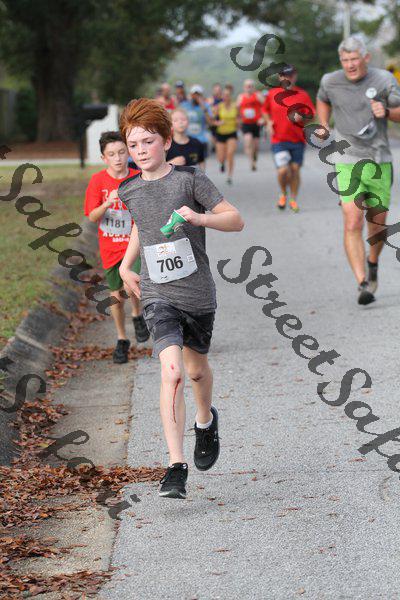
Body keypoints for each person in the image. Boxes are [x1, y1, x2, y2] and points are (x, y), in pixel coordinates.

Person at [118, 98, 244, 499]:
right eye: (133, 144)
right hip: (157, 294)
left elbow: (236, 220)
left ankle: (205, 421)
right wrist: (125, 265)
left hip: (197, 293)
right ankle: (175, 466)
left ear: (167, 141)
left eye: (148, 142)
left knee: (195, 372)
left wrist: (199, 217)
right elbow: (142, 226)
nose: (140, 151)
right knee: (171, 372)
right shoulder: (129, 189)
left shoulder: (190, 179)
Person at [317, 36, 400, 305]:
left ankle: (372, 263)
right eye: (345, 60)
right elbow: (323, 99)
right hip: (346, 158)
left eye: (354, 59)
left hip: (378, 159)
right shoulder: (330, 80)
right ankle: (362, 282)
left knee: (377, 223)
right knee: (352, 220)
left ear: (366, 58)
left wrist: (386, 111)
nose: (350, 65)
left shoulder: (384, 79)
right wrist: (323, 123)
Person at [84, 131, 150, 363]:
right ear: (104, 158)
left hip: (134, 244)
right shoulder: (98, 181)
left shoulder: (138, 177)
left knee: (133, 284)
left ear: (128, 153)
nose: (118, 158)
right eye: (111, 154)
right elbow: (92, 216)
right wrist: (107, 204)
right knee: (116, 297)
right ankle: (122, 338)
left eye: (122, 152)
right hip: (110, 247)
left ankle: (137, 313)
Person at [263, 65, 315, 212]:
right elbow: (264, 110)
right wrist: (268, 122)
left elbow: (312, 115)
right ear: (280, 77)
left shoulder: (302, 95)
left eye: (290, 75)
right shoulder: (272, 94)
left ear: (295, 76)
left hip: (297, 139)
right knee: (283, 171)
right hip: (279, 140)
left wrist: (302, 117)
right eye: (284, 75)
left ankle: (293, 199)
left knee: (295, 169)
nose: (287, 78)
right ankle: (283, 194)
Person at [179, 85, 212, 164]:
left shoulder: (206, 106)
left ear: (201, 95)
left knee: (201, 162)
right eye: (194, 94)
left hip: (201, 139)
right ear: (191, 95)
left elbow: (210, 122)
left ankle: (201, 172)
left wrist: (203, 107)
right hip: (187, 139)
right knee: (187, 162)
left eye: (198, 94)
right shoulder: (184, 105)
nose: (196, 96)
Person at [213, 85, 239, 184]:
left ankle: (229, 176)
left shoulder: (235, 106)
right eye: (224, 95)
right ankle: (222, 163)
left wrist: (238, 122)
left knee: (230, 153)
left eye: (227, 95)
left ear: (230, 96)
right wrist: (217, 123)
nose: (225, 97)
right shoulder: (218, 107)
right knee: (221, 157)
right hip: (221, 133)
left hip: (232, 133)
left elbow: (240, 118)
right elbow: (212, 121)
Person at [237, 79, 264, 171]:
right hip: (246, 123)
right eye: (247, 86)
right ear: (244, 87)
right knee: (247, 142)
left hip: (256, 123)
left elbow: (265, 107)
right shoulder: (241, 97)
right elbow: (237, 109)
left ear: (253, 87)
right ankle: (251, 162)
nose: (249, 88)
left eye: (250, 86)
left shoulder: (258, 95)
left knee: (256, 146)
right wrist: (238, 119)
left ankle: (255, 157)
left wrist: (262, 118)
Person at [208, 83, 223, 153]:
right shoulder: (211, 100)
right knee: (213, 134)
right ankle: (216, 147)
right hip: (214, 119)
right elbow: (208, 110)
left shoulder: (223, 99)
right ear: (213, 91)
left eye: (219, 90)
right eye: (216, 90)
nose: (217, 92)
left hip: (222, 119)